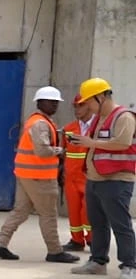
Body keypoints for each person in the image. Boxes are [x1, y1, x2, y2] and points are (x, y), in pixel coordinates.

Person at [0, 87, 77, 263]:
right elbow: (42, 151)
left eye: (56, 103)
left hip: (27, 175)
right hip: (40, 177)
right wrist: (60, 150)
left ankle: (0, 244)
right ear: (40, 103)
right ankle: (54, 250)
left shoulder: (36, 121)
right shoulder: (41, 124)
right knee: (48, 215)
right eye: (51, 102)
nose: (54, 105)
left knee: (20, 211)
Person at [69, 78, 136, 279]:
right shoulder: (99, 119)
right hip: (95, 178)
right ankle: (98, 262)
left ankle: (130, 265)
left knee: (120, 224)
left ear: (101, 96)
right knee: (97, 223)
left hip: (117, 179)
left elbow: (122, 143)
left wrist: (91, 142)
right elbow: (96, 145)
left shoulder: (124, 117)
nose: (87, 106)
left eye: (89, 101)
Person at [63, 94, 96, 251]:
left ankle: (92, 239)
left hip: (89, 176)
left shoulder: (98, 127)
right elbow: (64, 152)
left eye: (80, 105)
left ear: (90, 105)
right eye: (75, 106)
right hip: (71, 177)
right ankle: (76, 240)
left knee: (87, 211)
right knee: (74, 210)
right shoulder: (69, 129)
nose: (77, 109)